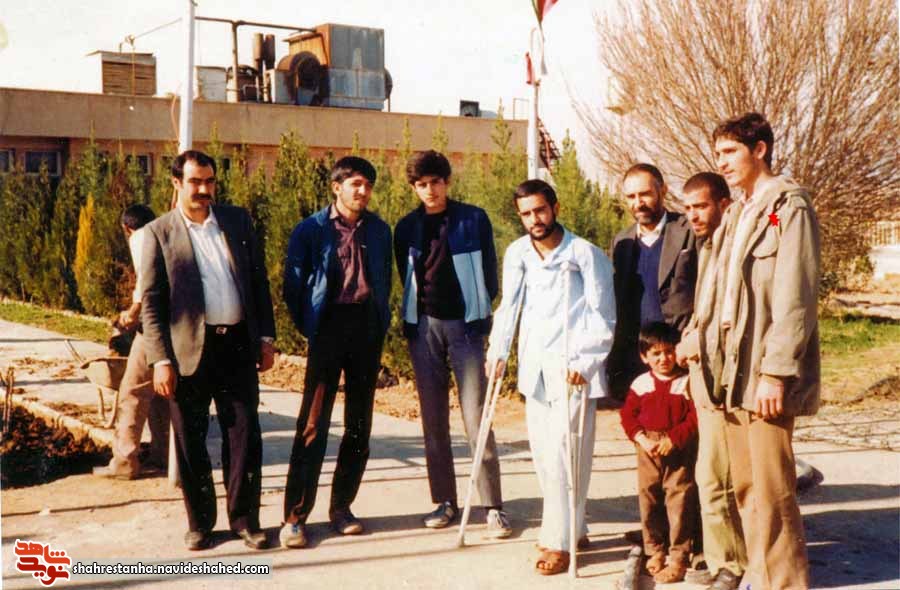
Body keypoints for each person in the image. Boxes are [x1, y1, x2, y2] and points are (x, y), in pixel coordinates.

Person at [141, 150, 276, 551]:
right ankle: (200, 524)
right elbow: (151, 303)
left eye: (209, 181)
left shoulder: (236, 221)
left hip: (236, 346)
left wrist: (266, 339)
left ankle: (245, 521)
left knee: (244, 435)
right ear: (176, 183)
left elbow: (258, 282)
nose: (204, 189)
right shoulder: (159, 233)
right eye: (195, 182)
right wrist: (160, 360)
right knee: (190, 440)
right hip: (187, 354)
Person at [709, 112, 820, 590]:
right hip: (732, 367)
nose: (722, 163)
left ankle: (785, 582)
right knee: (748, 484)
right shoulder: (741, 211)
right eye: (717, 154)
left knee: (773, 487)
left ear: (760, 150)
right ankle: (760, 574)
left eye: (730, 152)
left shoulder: (787, 207)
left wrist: (776, 372)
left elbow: (796, 295)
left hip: (764, 367)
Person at [486, 179, 616, 575]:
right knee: (545, 456)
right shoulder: (518, 252)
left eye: (540, 210)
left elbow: (603, 315)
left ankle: (557, 541)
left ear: (555, 208)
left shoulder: (584, 253)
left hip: (572, 368)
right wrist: (497, 351)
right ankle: (574, 528)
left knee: (566, 454)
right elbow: (508, 306)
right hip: (535, 368)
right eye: (526, 214)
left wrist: (587, 360)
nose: (534, 219)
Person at [393, 150, 510, 536]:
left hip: (466, 327)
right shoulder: (406, 227)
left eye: (435, 182)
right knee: (433, 420)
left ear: (447, 182)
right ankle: (444, 501)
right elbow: (407, 276)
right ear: (414, 187)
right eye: (422, 184)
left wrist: (478, 310)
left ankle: (492, 506)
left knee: (477, 418)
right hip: (424, 328)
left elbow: (490, 273)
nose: (430, 190)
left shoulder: (473, 219)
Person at [280, 156, 392, 549]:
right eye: (355, 183)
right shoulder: (311, 230)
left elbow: (384, 279)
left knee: (359, 424)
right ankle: (295, 517)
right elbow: (293, 287)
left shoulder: (379, 230)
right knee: (313, 424)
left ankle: (342, 508)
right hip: (328, 329)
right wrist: (312, 326)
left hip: (366, 329)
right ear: (336, 187)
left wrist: (378, 322)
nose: (362, 191)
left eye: (368, 185)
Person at [677, 172, 746, 590]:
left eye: (701, 206)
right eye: (687, 208)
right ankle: (722, 559)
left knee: (717, 479)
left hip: (724, 377)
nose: (693, 215)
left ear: (723, 203)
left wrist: (698, 342)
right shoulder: (707, 247)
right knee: (710, 477)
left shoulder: (734, 243)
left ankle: (732, 565)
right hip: (703, 375)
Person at [608, 164, 697, 401]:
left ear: (663, 190)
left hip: (680, 356)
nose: (638, 203)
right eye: (631, 196)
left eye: (645, 194)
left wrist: (774, 219)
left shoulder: (689, 230)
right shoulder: (622, 241)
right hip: (640, 362)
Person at [94, 204, 170, 480]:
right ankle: (164, 456)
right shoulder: (166, 233)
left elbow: (146, 283)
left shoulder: (141, 238)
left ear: (127, 228)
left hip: (154, 326)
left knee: (132, 392)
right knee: (159, 392)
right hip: (176, 323)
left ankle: (124, 462)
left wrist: (132, 313)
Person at [620, 322, 699, 584]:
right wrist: (642, 439)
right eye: (656, 354)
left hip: (678, 448)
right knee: (649, 497)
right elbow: (628, 416)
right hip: (648, 447)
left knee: (679, 498)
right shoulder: (641, 384)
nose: (663, 359)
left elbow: (694, 418)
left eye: (668, 352)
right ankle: (655, 549)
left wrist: (674, 439)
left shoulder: (686, 382)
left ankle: (679, 556)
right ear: (644, 357)